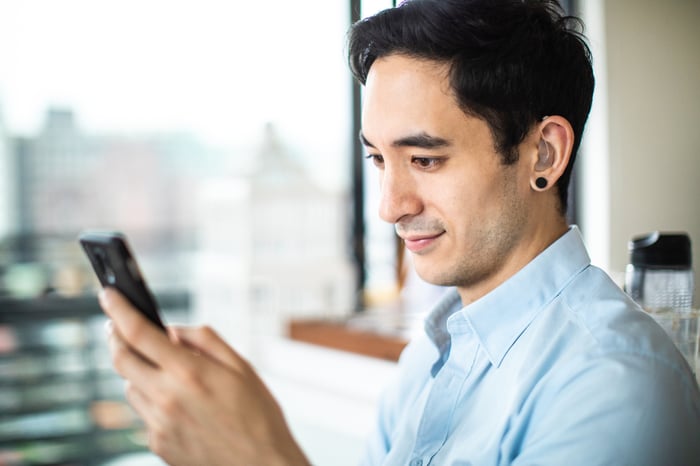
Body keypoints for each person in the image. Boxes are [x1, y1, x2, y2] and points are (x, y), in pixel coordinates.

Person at [99, 0, 700, 464]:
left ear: (543, 153)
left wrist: (260, 456)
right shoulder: (431, 356)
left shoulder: (614, 384)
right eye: (379, 160)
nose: (390, 206)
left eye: (426, 160)